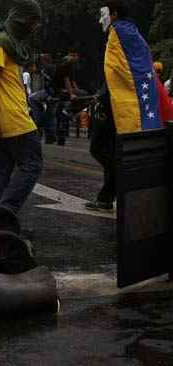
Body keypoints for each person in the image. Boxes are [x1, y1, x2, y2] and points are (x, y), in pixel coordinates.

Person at [86, 1, 164, 212]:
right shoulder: (133, 33)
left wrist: (101, 97)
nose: (100, 18)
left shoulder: (117, 33)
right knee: (112, 149)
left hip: (117, 103)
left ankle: (122, 182)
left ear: (115, 13)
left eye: (103, 13)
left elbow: (116, 72)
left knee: (99, 148)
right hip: (126, 102)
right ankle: (106, 197)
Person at [0, 0, 43, 215]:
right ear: (21, 18)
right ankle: (5, 211)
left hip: (8, 118)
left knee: (1, 173)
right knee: (33, 164)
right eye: (33, 21)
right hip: (11, 120)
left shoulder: (13, 45)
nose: (34, 27)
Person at [52, 53, 80, 145]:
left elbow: (71, 81)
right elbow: (66, 80)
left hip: (60, 90)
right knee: (62, 115)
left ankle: (60, 136)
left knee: (60, 115)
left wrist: (75, 90)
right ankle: (71, 114)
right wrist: (71, 93)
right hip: (59, 91)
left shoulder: (65, 66)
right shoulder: (66, 66)